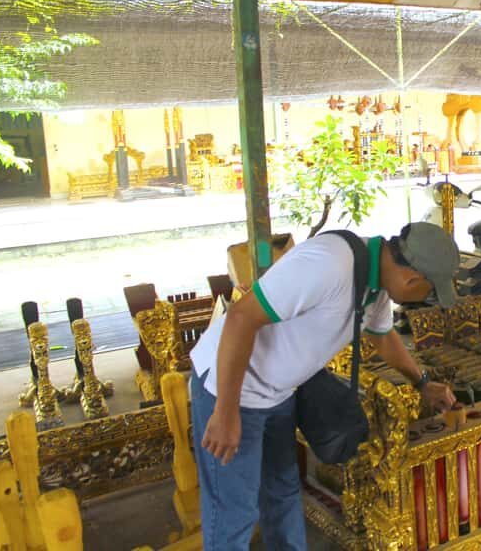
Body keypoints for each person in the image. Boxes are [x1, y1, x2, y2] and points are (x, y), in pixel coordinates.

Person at [190, 222, 459, 550]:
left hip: (278, 393)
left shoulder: (376, 281)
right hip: (230, 388)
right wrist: (226, 411)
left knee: (283, 493)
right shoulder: (329, 264)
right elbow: (240, 317)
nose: (426, 300)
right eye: (429, 293)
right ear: (412, 279)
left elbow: (383, 336)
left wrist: (422, 383)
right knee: (234, 511)